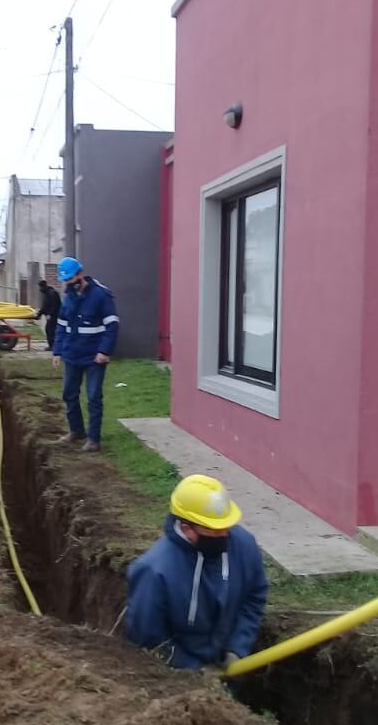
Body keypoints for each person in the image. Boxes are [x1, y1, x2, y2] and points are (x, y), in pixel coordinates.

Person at [125, 475, 268, 671]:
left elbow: (254, 597)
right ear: (187, 529)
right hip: (177, 681)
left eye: (226, 527)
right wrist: (191, 669)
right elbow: (149, 637)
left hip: (226, 664)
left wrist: (237, 648)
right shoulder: (154, 571)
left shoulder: (244, 546)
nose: (224, 535)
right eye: (214, 531)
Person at [51, 256, 118, 453]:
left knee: (93, 397)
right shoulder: (68, 298)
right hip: (72, 354)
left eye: (71, 279)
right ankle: (76, 431)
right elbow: (62, 326)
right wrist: (57, 351)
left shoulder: (100, 296)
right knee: (69, 394)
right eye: (66, 281)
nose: (69, 284)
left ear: (80, 274)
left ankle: (93, 439)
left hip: (94, 357)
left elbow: (112, 326)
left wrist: (104, 351)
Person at [35, 278, 61, 351]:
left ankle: (53, 346)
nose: (40, 290)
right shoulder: (47, 294)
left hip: (54, 316)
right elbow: (45, 307)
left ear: (43, 286)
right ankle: (52, 345)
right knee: (49, 330)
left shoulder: (52, 293)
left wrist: (50, 314)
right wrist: (38, 315)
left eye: (40, 287)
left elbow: (54, 305)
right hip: (50, 316)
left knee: (51, 331)